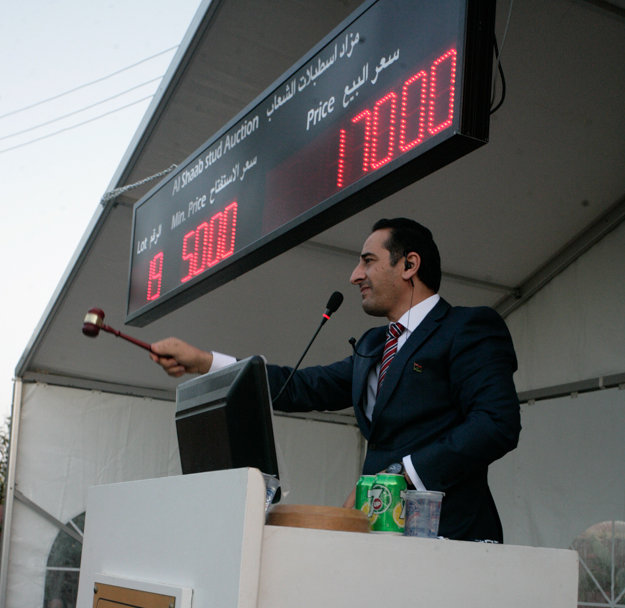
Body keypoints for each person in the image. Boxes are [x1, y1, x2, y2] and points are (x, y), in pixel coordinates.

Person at [151, 218, 521, 542]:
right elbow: (299, 386)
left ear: (410, 264)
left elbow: (495, 424)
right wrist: (205, 362)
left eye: (368, 261)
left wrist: (398, 477)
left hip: (452, 539)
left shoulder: (468, 327)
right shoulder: (375, 343)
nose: (355, 275)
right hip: (378, 541)